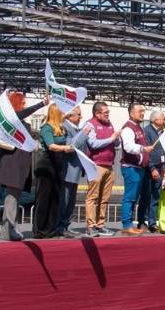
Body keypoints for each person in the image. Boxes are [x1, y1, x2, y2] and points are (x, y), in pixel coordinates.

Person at [0, 91, 46, 241]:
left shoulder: (21, 123)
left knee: (15, 197)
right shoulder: (12, 119)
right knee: (11, 197)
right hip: (13, 163)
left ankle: (11, 228)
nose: (25, 105)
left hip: (20, 163)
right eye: (23, 102)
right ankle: (8, 229)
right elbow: (21, 115)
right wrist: (41, 104)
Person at [34, 104, 76, 238]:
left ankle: (51, 229)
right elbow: (51, 145)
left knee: (55, 198)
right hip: (46, 164)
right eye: (62, 113)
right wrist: (65, 148)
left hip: (58, 164)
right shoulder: (47, 128)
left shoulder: (61, 128)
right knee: (44, 198)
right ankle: (40, 229)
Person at [83, 101, 119, 237]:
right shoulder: (90, 124)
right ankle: (90, 226)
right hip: (96, 165)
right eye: (105, 113)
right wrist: (111, 139)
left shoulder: (109, 124)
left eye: (108, 113)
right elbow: (92, 143)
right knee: (92, 196)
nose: (108, 115)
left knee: (105, 198)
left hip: (109, 165)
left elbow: (116, 143)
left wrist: (116, 139)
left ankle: (100, 224)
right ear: (97, 113)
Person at [119, 104, 155, 236]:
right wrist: (143, 149)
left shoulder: (138, 127)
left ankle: (129, 225)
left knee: (133, 198)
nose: (142, 113)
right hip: (131, 167)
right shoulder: (128, 128)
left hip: (138, 168)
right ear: (131, 113)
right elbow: (128, 147)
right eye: (140, 111)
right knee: (130, 197)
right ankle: (127, 225)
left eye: (143, 111)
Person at [55, 106, 88, 238]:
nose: (81, 117)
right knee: (65, 199)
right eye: (78, 115)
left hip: (75, 169)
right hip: (68, 169)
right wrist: (84, 134)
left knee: (71, 201)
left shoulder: (75, 129)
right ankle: (60, 226)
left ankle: (65, 225)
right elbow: (70, 146)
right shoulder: (65, 127)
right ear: (69, 116)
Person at [139, 109, 165, 233]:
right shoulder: (146, 132)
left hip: (160, 168)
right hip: (148, 169)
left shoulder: (164, 133)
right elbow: (147, 153)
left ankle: (152, 222)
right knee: (145, 196)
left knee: (155, 197)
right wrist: (152, 168)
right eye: (162, 118)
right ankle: (142, 221)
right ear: (155, 120)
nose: (164, 120)